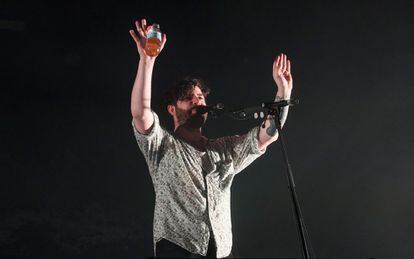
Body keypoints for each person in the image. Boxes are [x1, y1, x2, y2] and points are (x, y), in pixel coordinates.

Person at [129, 18, 293, 258]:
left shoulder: (224, 149)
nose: (197, 101)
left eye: (201, 97)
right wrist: (147, 60)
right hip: (178, 248)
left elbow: (268, 134)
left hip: (222, 251)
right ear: (172, 109)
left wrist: (283, 93)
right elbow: (140, 113)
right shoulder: (162, 145)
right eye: (188, 97)